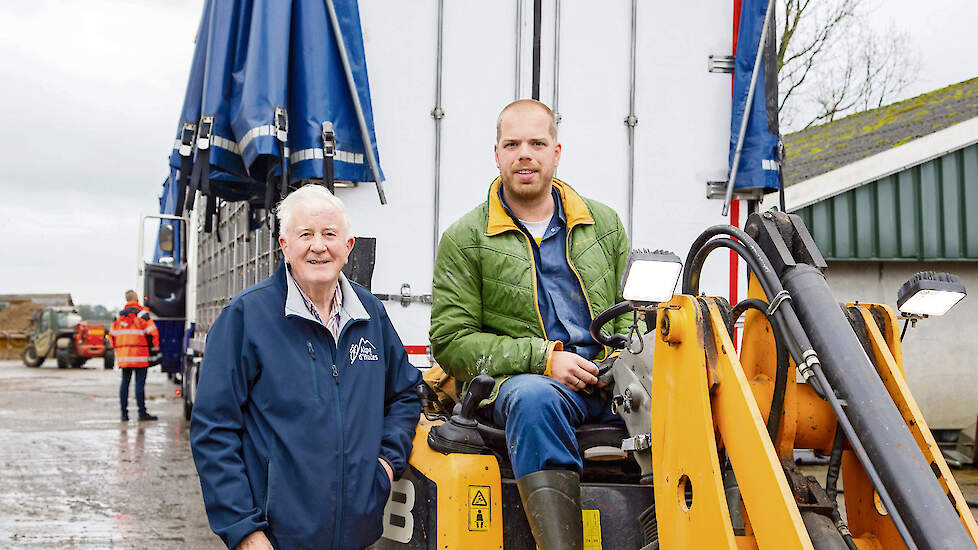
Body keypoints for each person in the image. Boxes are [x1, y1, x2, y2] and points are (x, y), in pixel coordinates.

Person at [429, 99, 634, 550]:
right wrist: (543, 359)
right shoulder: (466, 239)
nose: (525, 154)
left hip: (612, 382)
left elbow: (630, 313)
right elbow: (451, 340)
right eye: (513, 144)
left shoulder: (604, 225)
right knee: (534, 399)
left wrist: (621, 363)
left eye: (537, 143)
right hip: (525, 385)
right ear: (497, 154)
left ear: (556, 152)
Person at [190, 184, 421, 550]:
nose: (318, 246)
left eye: (330, 234)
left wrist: (386, 464)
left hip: (357, 536)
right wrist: (244, 530)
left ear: (348, 246)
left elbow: (406, 392)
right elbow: (213, 430)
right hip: (276, 539)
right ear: (284, 245)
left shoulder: (370, 314)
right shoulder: (247, 317)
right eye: (305, 235)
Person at [109, 290, 160, 421]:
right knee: (139, 385)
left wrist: (119, 351)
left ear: (126, 300)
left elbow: (112, 337)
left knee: (124, 383)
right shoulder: (143, 315)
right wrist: (154, 350)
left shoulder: (118, 317)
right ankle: (142, 413)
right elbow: (153, 334)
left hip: (124, 357)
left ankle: (123, 414)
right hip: (140, 356)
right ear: (136, 299)